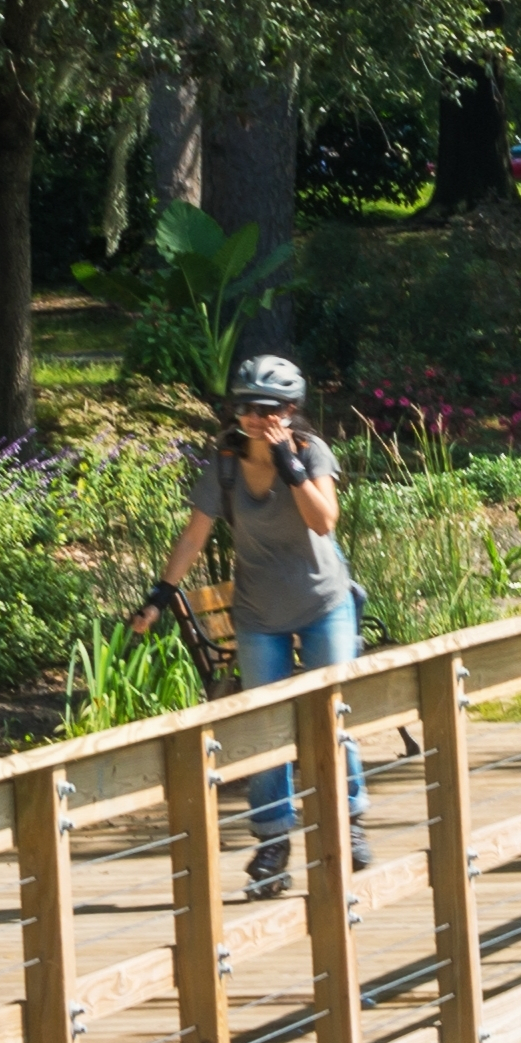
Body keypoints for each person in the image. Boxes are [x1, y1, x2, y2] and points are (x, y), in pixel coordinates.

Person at [147, 355, 366, 898]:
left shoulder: (311, 453)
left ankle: (349, 818)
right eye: (245, 407)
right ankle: (272, 840)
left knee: (331, 712)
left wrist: (290, 463)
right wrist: (161, 593)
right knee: (265, 727)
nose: (254, 417)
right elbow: (194, 536)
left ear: (290, 411)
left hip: (322, 604)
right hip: (259, 614)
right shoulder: (224, 463)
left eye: (267, 408)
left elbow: (324, 520)